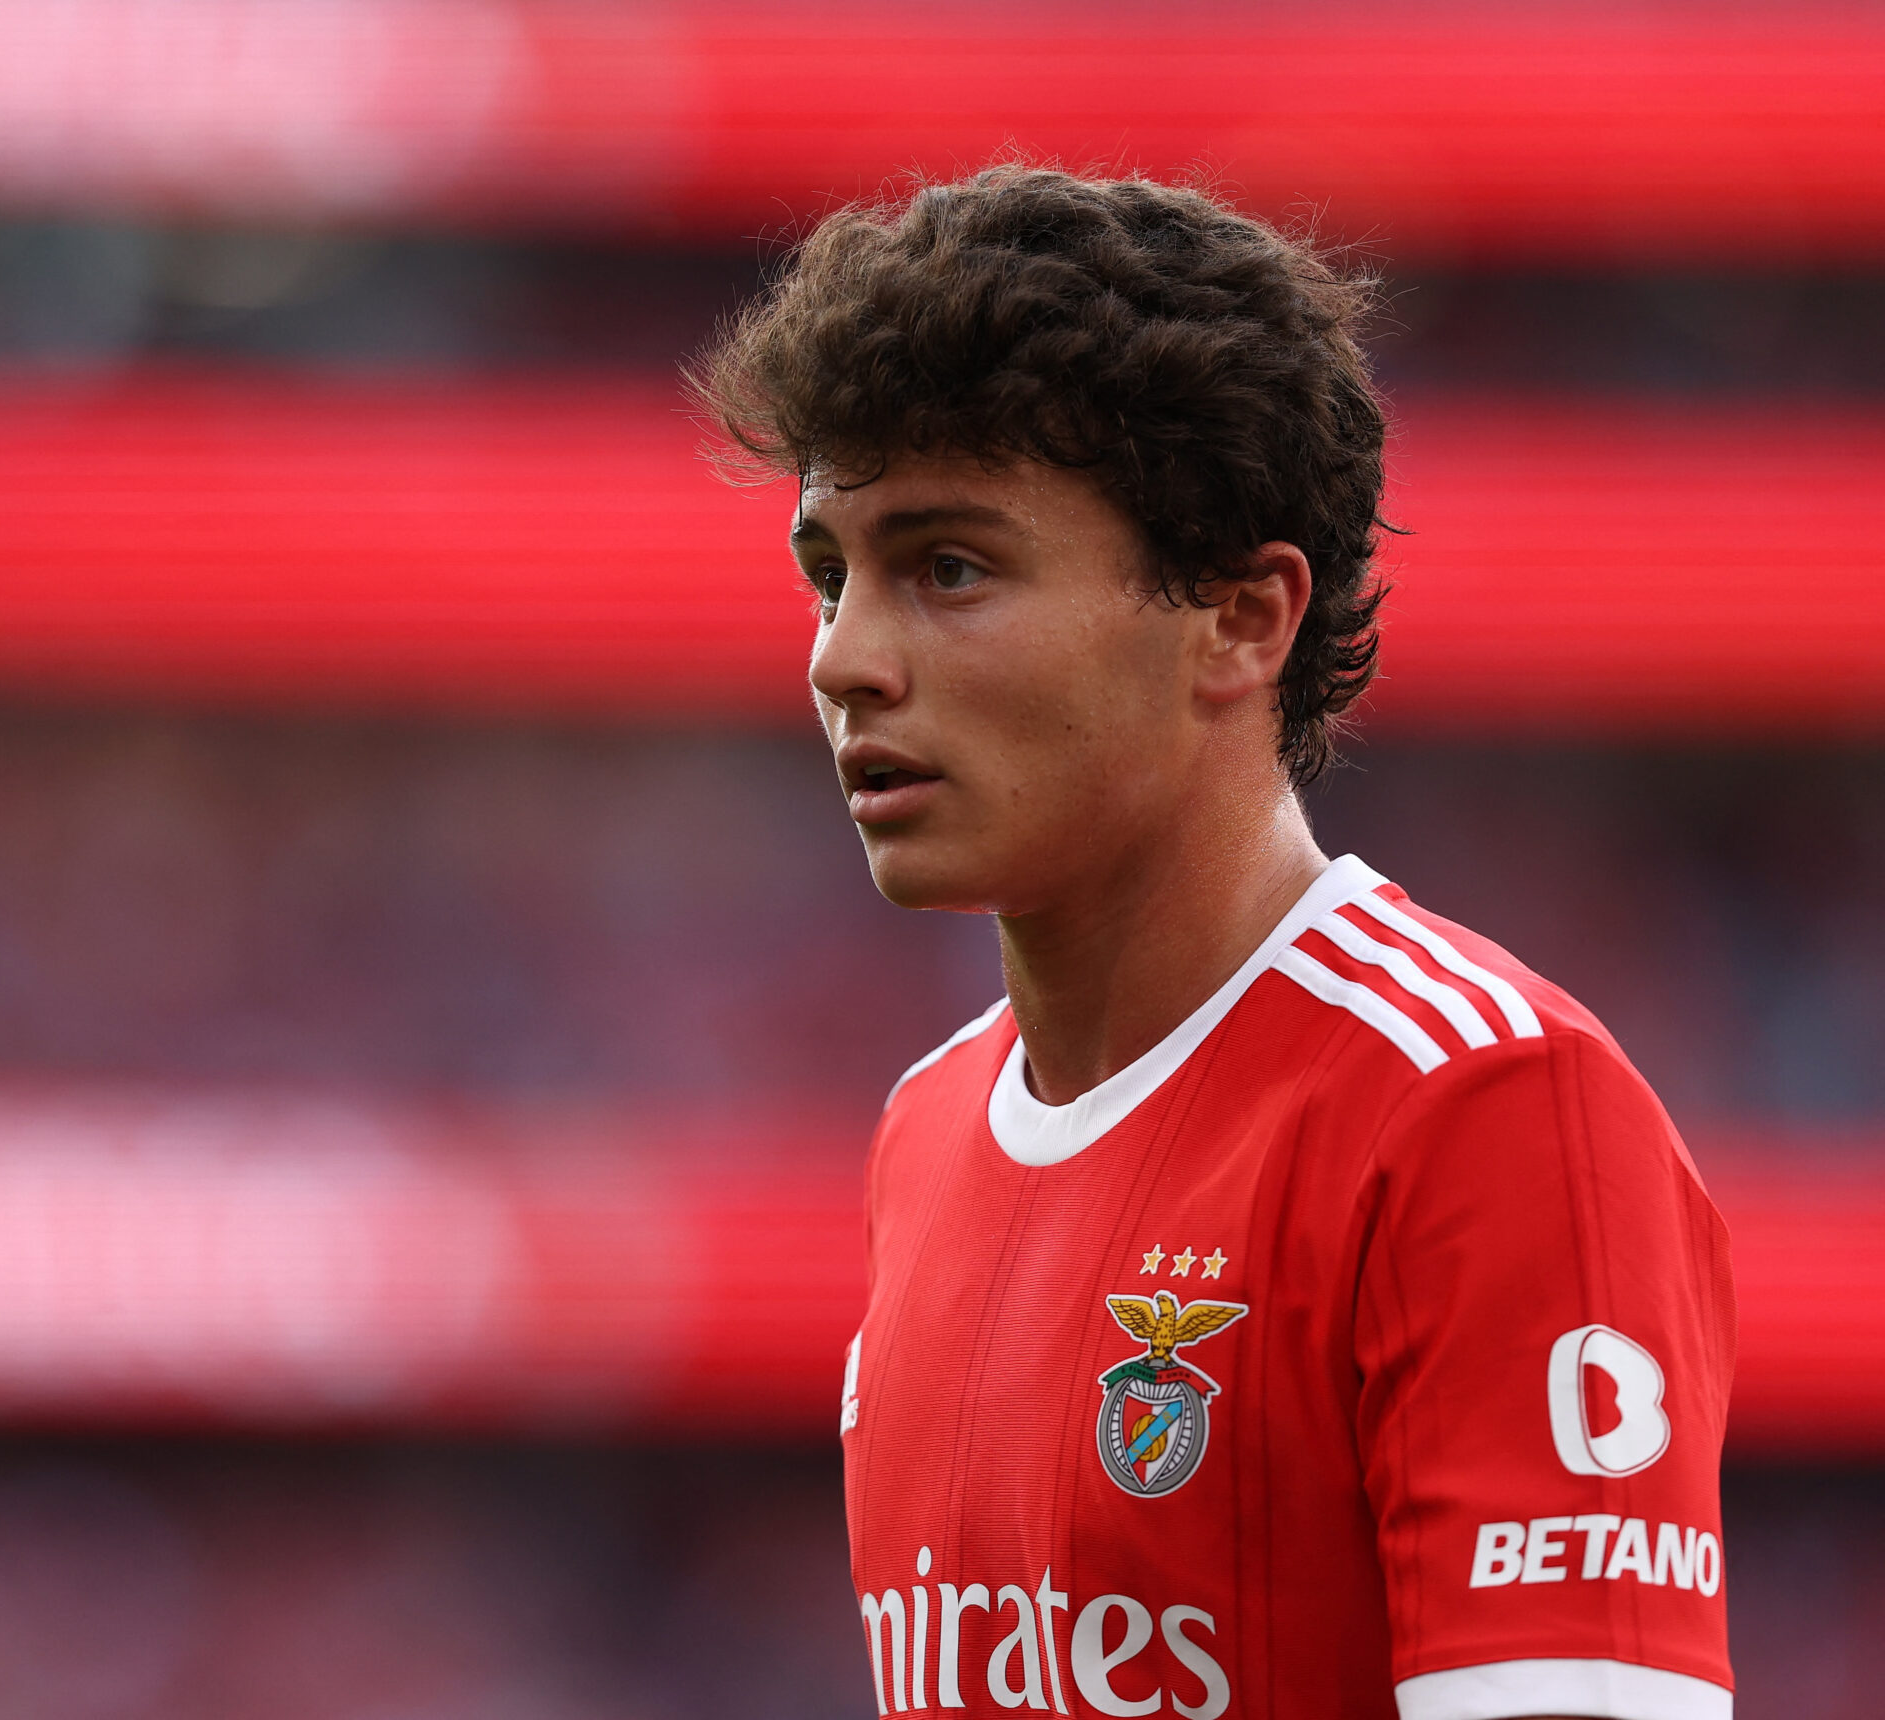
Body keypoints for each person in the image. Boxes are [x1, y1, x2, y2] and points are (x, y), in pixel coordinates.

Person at [691, 167, 1733, 1720]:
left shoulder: (1487, 1109)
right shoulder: (923, 1136)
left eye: (949, 567)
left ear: (1243, 621)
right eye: (831, 577)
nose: (845, 661)